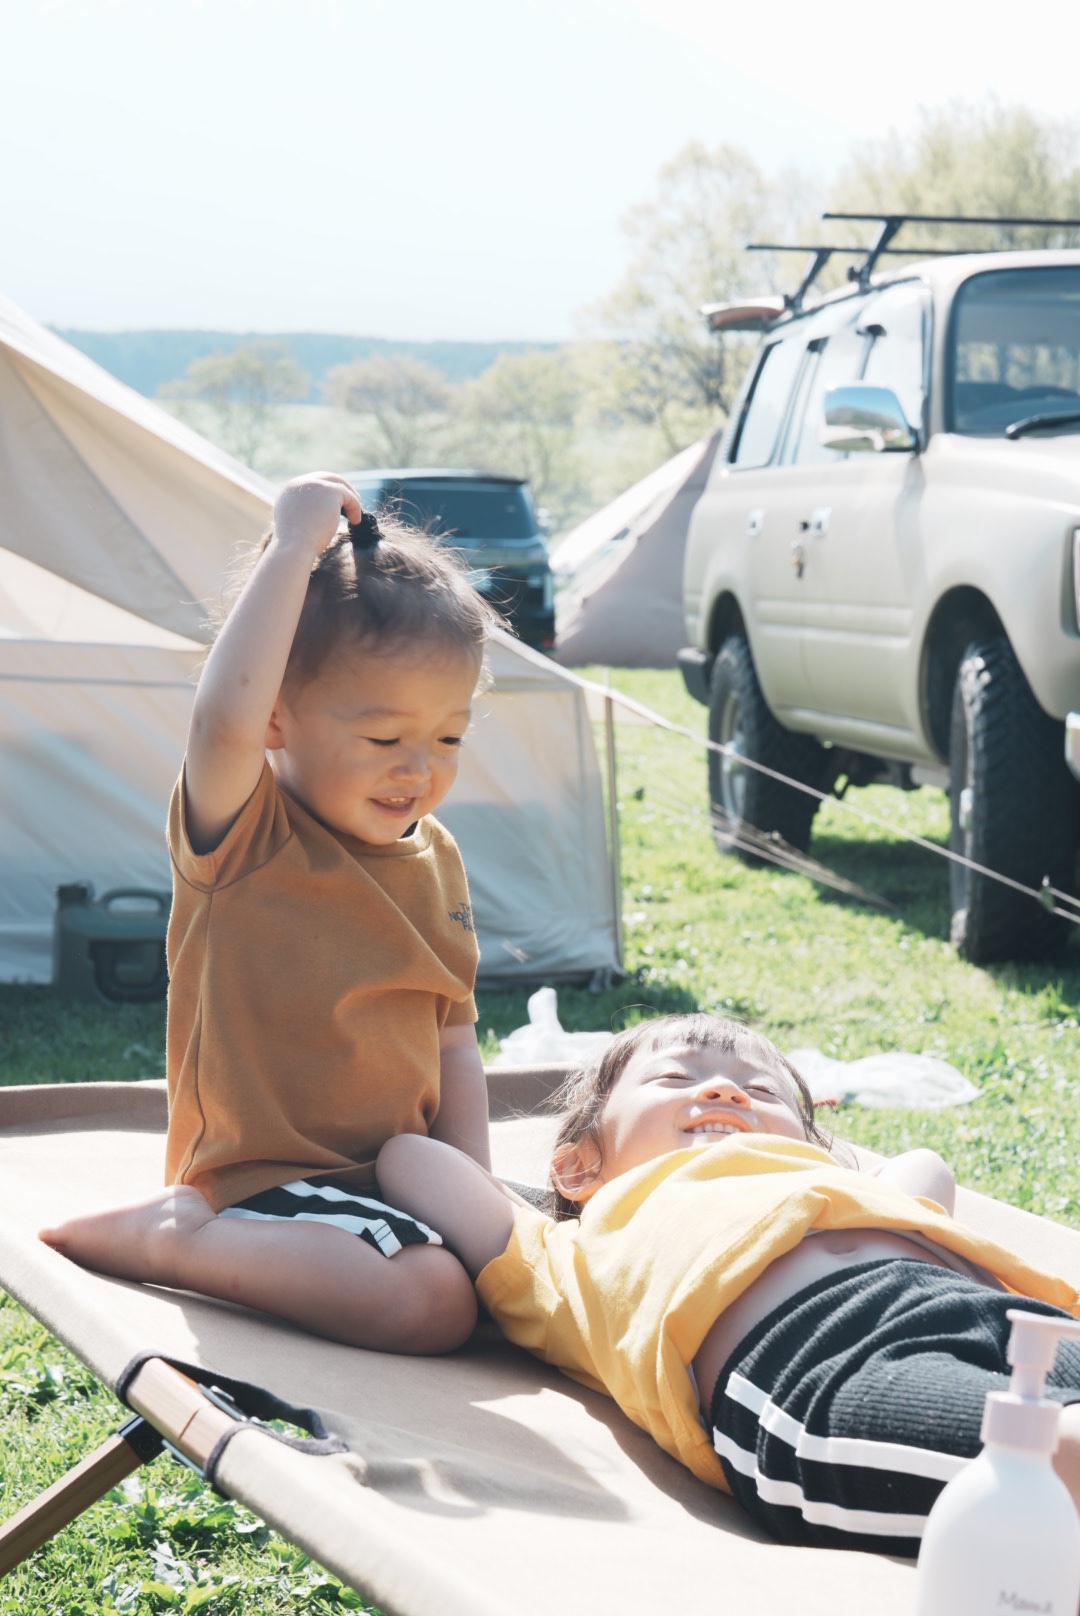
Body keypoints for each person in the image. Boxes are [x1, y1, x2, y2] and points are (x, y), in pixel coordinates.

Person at [42, 472, 497, 1354]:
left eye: (449, 737)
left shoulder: (435, 856)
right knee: (434, 1303)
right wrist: (293, 549)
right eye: (383, 739)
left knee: (504, 1281)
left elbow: (453, 1039)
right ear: (280, 721)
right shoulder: (246, 835)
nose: (421, 770)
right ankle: (179, 1238)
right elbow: (221, 723)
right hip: (267, 1186)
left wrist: (471, 1193)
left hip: (394, 1188)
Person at [376, 1012, 1080, 1554]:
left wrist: (811, 1166)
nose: (723, 1089)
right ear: (578, 1169)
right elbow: (412, 1159)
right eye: (675, 1080)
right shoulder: (563, 1255)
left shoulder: (825, 1185)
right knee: (1057, 1460)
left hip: (1003, 1316)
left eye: (761, 1089)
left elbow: (925, 1166)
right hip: (819, 1370)